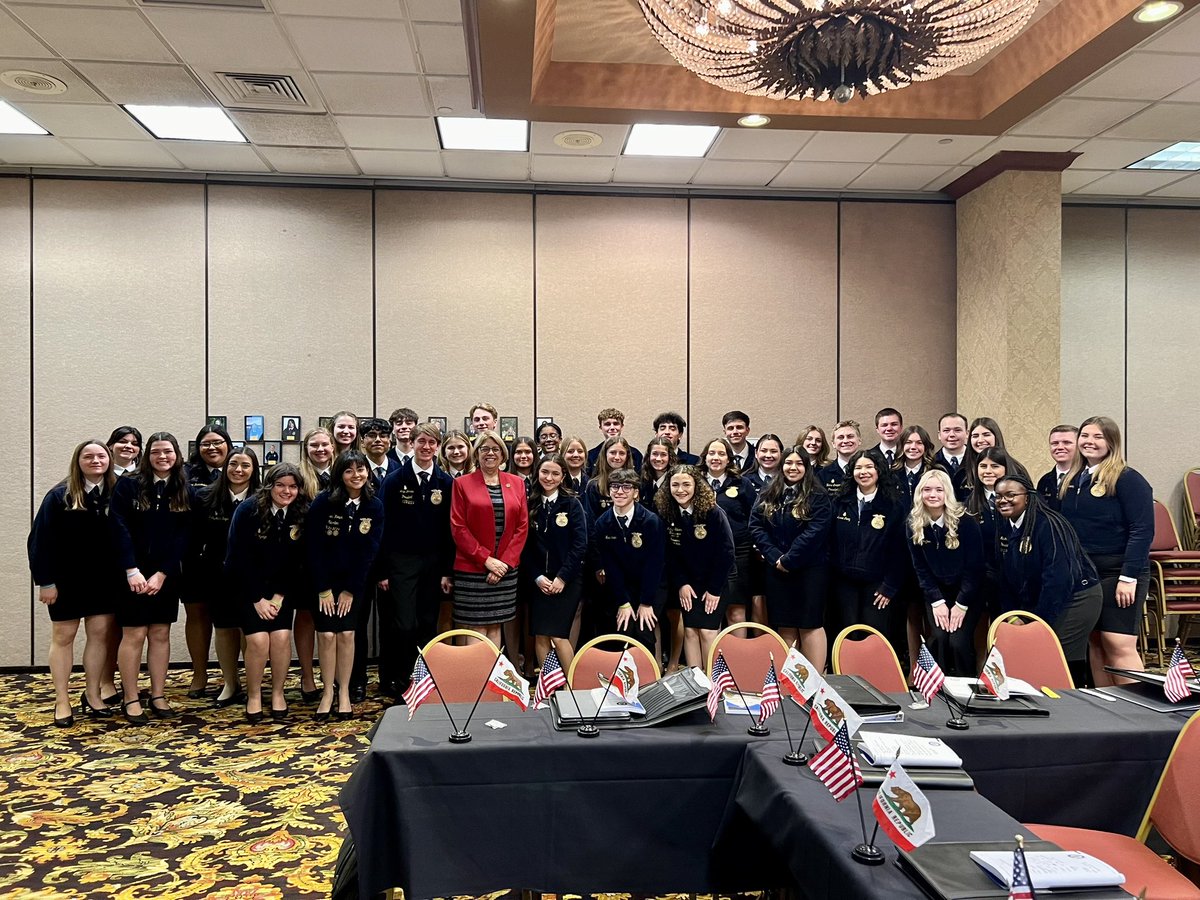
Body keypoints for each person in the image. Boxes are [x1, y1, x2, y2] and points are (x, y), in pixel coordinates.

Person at [28, 440, 122, 726]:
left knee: (99, 637)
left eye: (101, 455)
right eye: (88, 456)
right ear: (78, 461)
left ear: (109, 459)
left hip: (104, 580)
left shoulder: (118, 493)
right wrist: (45, 582)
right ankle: (62, 700)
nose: (96, 460)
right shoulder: (59, 495)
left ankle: (92, 694)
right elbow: (38, 542)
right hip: (65, 581)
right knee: (64, 637)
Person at [1059, 416, 1153, 686]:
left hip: (1119, 572)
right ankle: (1109, 708)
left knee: (1118, 642)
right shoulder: (1074, 479)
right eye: (1085, 436)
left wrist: (1129, 577)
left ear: (1112, 442)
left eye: (1098, 437)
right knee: (1096, 642)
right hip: (1086, 574)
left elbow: (1142, 530)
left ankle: (1138, 712)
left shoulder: (1127, 479)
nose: (1090, 442)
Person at [110, 432, 192, 724]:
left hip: (164, 576)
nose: (162, 457)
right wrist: (131, 570)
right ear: (147, 456)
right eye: (156, 452)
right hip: (131, 574)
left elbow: (185, 536)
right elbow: (118, 528)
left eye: (167, 451)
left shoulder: (184, 487)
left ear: (176, 454)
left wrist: (162, 574)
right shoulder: (129, 485)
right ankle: (131, 697)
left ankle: (158, 694)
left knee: (160, 634)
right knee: (134, 634)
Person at [994, 474, 1103, 687]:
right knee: (1041, 653)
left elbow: (1058, 579)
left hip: (1076, 598)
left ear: (1028, 497)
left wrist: (1037, 621)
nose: (1003, 500)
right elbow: (1005, 577)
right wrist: (1013, 614)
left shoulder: (1048, 524)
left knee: (1059, 654)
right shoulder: (1008, 524)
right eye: (998, 496)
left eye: (1010, 495)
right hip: (1044, 598)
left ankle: (1073, 703)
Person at [225, 463, 309, 722]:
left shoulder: (301, 513)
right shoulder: (248, 509)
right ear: (269, 486)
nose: (287, 491)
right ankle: (253, 695)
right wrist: (257, 599)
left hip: (281, 591)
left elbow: (298, 561)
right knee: (259, 641)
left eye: (293, 486)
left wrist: (279, 597)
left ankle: (278, 693)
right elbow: (238, 559)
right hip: (248, 589)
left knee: (282, 637)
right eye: (281, 485)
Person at [378, 423, 454, 696]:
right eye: (421, 441)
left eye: (432, 443)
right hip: (401, 563)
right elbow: (382, 527)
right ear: (411, 443)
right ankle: (399, 677)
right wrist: (383, 570)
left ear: (438, 447)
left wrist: (447, 571)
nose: (426, 447)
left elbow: (450, 530)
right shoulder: (395, 480)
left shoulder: (446, 482)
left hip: (433, 564)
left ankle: (424, 681)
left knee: (427, 622)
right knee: (404, 623)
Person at [308, 451, 385, 720]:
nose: (357, 475)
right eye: (349, 470)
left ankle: (343, 692)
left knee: (347, 635)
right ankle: (327, 691)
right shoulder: (323, 503)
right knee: (327, 636)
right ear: (340, 474)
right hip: (324, 584)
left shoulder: (374, 505)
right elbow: (314, 550)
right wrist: (324, 589)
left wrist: (351, 590)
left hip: (355, 585)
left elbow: (369, 551)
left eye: (361, 469)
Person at [749, 445, 833, 671]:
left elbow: (816, 531)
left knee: (809, 625)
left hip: (810, 570)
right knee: (784, 624)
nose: (792, 468)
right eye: (788, 463)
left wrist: (790, 559)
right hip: (776, 569)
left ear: (806, 466)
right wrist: (776, 557)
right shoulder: (768, 492)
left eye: (798, 463)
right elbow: (755, 526)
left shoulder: (818, 495)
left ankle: (814, 680)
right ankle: (792, 681)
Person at [189, 446, 260, 707]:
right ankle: (231, 683)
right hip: (217, 575)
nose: (238, 470)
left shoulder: (263, 499)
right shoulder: (205, 497)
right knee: (224, 629)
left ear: (254, 470)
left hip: (253, 578)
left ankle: (252, 683)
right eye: (233, 464)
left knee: (249, 632)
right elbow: (195, 538)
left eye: (245, 465)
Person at [449, 430, 530, 649]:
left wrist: (502, 563)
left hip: (506, 568)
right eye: (484, 449)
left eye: (495, 449)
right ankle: (474, 678)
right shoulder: (462, 483)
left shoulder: (516, 483)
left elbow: (522, 527)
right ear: (476, 454)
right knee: (475, 627)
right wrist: (486, 560)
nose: (490, 453)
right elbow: (458, 527)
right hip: (473, 568)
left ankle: (489, 679)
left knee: (495, 624)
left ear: (503, 454)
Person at [657, 465, 735, 669]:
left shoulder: (713, 513)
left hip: (714, 584)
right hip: (688, 585)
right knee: (690, 631)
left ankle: (712, 682)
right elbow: (670, 554)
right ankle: (697, 683)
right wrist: (681, 583)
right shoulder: (668, 513)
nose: (680, 490)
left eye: (686, 484)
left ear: (696, 486)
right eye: (675, 485)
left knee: (708, 632)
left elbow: (726, 553)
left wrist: (714, 589)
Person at [907, 469, 984, 676]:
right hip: (937, 594)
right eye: (927, 490)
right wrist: (937, 602)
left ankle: (965, 691)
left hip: (967, 593)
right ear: (919, 493)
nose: (933, 495)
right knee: (939, 638)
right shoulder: (913, 524)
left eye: (939, 490)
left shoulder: (966, 521)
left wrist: (960, 604)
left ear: (947, 493)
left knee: (958, 642)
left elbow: (974, 569)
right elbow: (921, 569)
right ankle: (939, 693)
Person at [829, 450, 907, 645]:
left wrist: (889, 586)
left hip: (878, 585)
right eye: (858, 467)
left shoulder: (893, 505)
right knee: (846, 637)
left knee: (874, 637)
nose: (863, 472)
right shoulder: (840, 502)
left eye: (869, 467)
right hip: (843, 583)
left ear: (879, 470)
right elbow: (829, 542)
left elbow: (900, 552)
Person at [180, 424, 233, 696]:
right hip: (195, 558)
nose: (212, 448)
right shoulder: (186, 475)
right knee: (198, 615)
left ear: (228, 445)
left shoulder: (239, 468)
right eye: (205, 444)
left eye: (218, 442)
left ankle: (231, 679)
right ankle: (199, 675)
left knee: (230, 620)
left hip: (230, 559)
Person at [523, 455, 588, 673]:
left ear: (562, 477)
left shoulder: (572, 504)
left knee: (559, 636)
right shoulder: (528, 503)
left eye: (555, 473)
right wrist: (537, 577)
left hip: (567, 580)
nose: (548, 477)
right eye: (544, 472)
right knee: (541, 635)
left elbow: (580, 545)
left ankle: (571, 687)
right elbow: (524, 547)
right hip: (539, 580)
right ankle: (548, 688)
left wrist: (562, 577)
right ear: (537, 474)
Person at [594, 467, 666, 653]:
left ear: (636, 493)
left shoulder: (651, 521)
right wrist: (623, 602)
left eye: (626, 487)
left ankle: (650, 677)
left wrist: (646, 602)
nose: (619, 491)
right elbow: (611, 566)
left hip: (650, 586)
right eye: (615, 487)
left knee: (643, 631)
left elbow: (654, 565)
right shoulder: (602, 523)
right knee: (621, 629)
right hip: (620, 587)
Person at [701, 437, 755, 627]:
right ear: (705, 457)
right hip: (703, 556)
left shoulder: (742, 484)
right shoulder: (694, 482)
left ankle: (737, 656)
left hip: (738, 553)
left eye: (721, 454)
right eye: (712, 453)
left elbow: (754, 517)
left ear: (729, 459)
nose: (716, 457)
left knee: (736, 611)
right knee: (708, 610)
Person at [583, 436, 632, 525]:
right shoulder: (594, 486)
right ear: (605, 454)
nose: (617, 457)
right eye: (613, 453)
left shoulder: (634, 484)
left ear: (627, 456)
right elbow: (590, 521)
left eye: (621, 453)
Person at [586, 407, 643, 475]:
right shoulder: (591, 456)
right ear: (601, 427)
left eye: (616, 424)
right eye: (607, 424)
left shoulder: (636, 455)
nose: (612, 428)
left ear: (622, 426)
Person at [1037, 424, 1079, 509]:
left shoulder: (1086, 479)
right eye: (1054, 443)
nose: (1060, 447)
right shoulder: (1044, 481)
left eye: (1067, 443)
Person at [818, 420, 862, 494]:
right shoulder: (823, 475)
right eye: (840, 437)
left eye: (850, 436)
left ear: (859, 440)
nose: (845, 441)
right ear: (833, 444)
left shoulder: (871, 471)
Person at [935, 413, 969, 499]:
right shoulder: (931, 463)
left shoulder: (978, 461)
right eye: (946, 430)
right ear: (939, 435)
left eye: (957, 430)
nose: (952, 435)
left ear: (967, 433)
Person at [640, 436, 676, 511]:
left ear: (670, 457)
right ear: (649, 455)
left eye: (663, 454)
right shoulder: (641, 480)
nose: (658, 459)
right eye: (655, 454)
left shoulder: (675, 481)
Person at [360, 417, 396, 489]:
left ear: (389, 441)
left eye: (383, 436)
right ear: (362, 442)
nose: (378, 440)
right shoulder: (357, 469)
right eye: (371, 436)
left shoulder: (399, 469)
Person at [299, 427, 335, 496]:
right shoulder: (297, 475)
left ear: (332, 447)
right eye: (314, 445)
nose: (320, 449)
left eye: (325, 444)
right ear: (306, 448)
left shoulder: (342, 473)